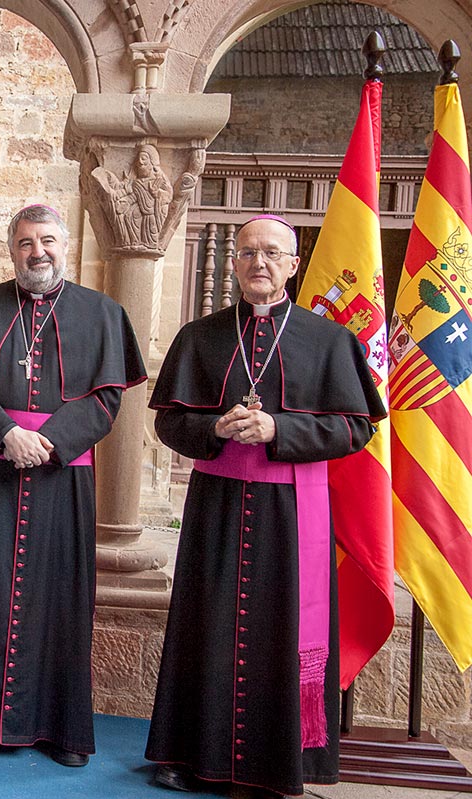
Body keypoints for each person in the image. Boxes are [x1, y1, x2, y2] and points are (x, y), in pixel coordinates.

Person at [145, 215, 385, 799]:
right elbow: (169, 423)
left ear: (293, 264)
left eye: (273, 253)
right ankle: (188, 755)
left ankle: (282, 763)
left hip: (292, 513)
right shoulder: (200, 337)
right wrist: (214, 427)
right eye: (249, 252)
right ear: (234, 262)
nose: (260, 262)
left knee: (285, 630)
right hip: (217, 509)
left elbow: (356, 429)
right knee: (206, 625)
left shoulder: (329, 341)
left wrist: (281, 429)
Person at [0, 203, 146, 767]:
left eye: (47, 240)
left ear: (64, 245)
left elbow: (107, 399)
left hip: (61, 477)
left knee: (59, 599)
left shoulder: (102, 314)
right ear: (12, 249)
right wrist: (6, 434)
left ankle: (57, 727)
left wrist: (47, 441)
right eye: (26, 242)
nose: (37, 252)